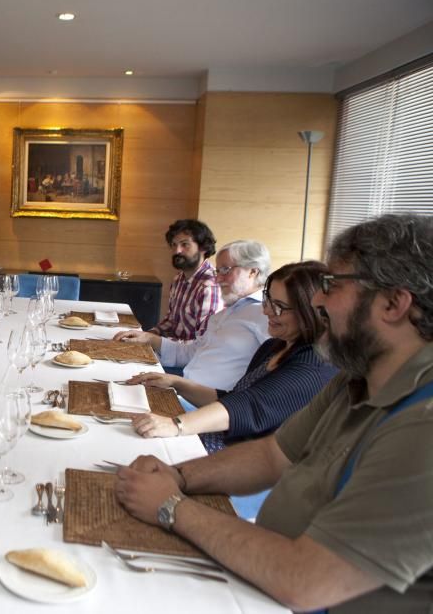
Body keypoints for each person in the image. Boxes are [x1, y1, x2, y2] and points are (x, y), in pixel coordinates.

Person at [114, 213, 433, 612]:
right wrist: (177, 476)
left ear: (393, 303)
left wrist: (171, 506)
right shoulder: (358, 376)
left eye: (332, 285)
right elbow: (271, 454)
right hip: (263, 574)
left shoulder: (423, 426)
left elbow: (307, 581)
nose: (318, 299)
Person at [131, 261, 338, 452]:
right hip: (219, 438)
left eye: (279, 307)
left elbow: (249, 407)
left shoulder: (315, 365)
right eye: (268, 301)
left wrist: (175, 425)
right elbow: (234, 398)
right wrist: (176, 383)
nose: (266, 312)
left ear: (312, 311)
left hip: (242, 459)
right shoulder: (273, 346)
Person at [115, 240, 271, 390]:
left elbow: (274, 376)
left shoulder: (265, 315)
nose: (217, 278)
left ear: (252, 271)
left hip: (209, 406)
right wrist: (150, 339)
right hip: (184, 387)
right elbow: (194, 352)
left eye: (225, 270)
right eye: (218, 271)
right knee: (119, 372)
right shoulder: (225, 313)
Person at [150, 219, 222, 340]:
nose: (177, 251)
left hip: (193, 357)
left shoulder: (210, 286)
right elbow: (171, 322)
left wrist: (157, 341)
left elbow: (203, 342)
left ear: (203, 247)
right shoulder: (178, 279)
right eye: (174, 245)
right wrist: (150, 333)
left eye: (185, 244)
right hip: (173, 351)